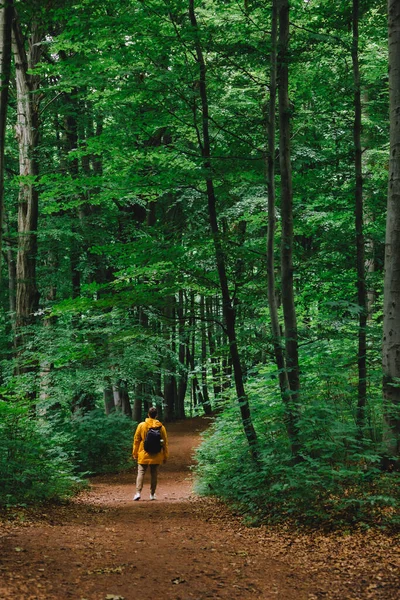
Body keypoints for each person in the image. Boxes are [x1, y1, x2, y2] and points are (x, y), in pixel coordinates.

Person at [132, 406, 168, 501]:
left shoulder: (141, 425)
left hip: (143, 453)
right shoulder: (161, 427)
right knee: (154, 473)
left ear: (148, 414)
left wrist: (135, 453)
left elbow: (136, 440)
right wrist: (165, 455)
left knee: (141, 472)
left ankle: (138, 493)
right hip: (156, 454)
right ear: (156, 415)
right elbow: (164, 442)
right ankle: (152, 494)